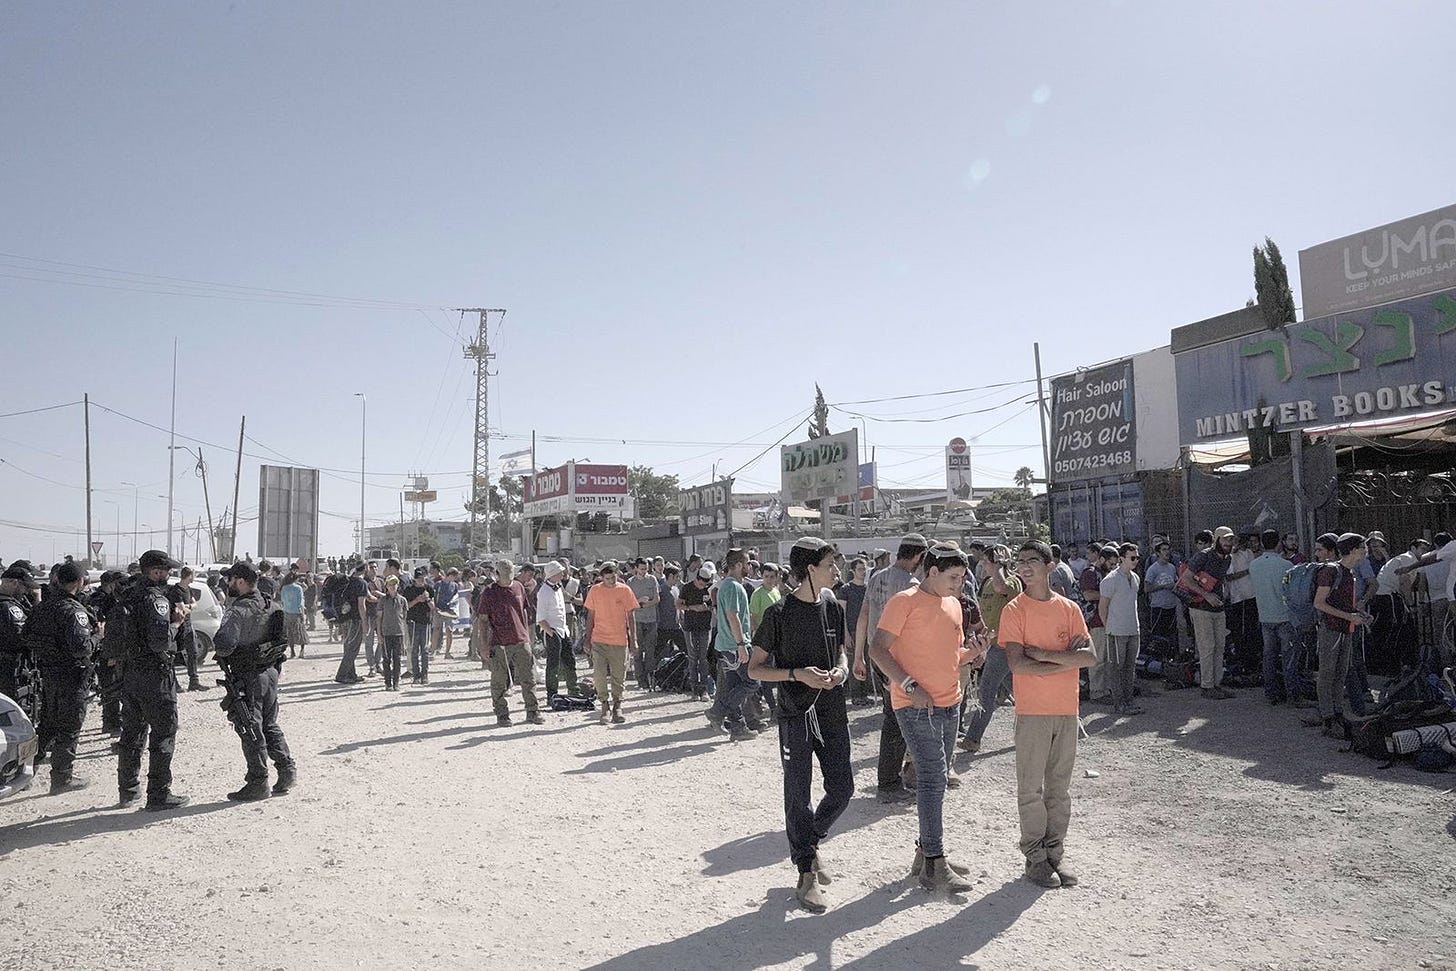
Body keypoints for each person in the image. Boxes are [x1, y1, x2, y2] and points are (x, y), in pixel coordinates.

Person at [869, 542, 988, 893]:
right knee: (933, 780)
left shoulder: (952, 604)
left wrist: (973, 654)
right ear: (931, 571)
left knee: (937, 779)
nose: (960, 585)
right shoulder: (903, 601)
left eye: (963, 578)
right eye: (953, 577)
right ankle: (934, 862)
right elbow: (878, 649)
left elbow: (951, 654)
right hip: (914, 704)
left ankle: (925, 855)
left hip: (951, 702)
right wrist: (908, 683)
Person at [748, 537, 853, 913]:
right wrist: (797, 675)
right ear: (810, 569)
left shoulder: (831, 605)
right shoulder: (779, 613)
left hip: (832, 709)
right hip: (795, 714)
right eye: (830, 564)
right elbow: (755, 667)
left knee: (843, 789)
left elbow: (842, 649)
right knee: (798, 791)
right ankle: (806, 871)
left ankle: (810, 839)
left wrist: (840, 669)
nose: (837, 570)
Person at [999, 541, 1097, 889]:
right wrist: (1063, 660)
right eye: (1020, 561)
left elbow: (1090, 657)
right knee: (1030, 789)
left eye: (1032, 561)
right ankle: (1035, 858)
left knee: (1060, 789)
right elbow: (1016, 664)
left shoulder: (1069, 609)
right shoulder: (1014, 610)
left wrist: (1040, 653)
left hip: (1066, 711)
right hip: (1032, 712)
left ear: (1050, 565)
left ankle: (1055, 853)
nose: (1024, 567)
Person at [854, 533, 929, 801]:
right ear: (919, 556)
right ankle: (889, 783)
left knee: (893, 718)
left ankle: (894, 778)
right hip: (897, 660)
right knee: (898, 721)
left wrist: (859, 657)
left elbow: (863, 616)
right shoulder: (911, 583)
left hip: (876, 656)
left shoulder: (876, 577)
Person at [213, 562, 295, 801]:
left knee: (250, 728)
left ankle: (258, 782)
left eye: (230, 580)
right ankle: (287, 770)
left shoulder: (238, 610)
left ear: (240, 581)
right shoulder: (271, 604)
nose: (227, 585)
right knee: (269, 724)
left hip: (248, 677)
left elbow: (224, 644)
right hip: (269, 674)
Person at [114, 550, 190, 810]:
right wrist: (177, 623)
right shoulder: (156, 600)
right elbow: (160, 641)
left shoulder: (129, 594)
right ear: (155, 572)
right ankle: (159, 794)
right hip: (154, 676)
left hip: (130, 674)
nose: (168, 576)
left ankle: (128, 790)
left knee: (132, 733)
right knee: (163, 733)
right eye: (165, 571)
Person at [25, 561, 98, 793]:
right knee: (69, 727)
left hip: (49, 674)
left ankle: (25, 772)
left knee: (47, 725)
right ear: (79, 582)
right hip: (72, 675)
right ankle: (62, 778)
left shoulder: (43, 607)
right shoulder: (74, 610)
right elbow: (81, 648)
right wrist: (99, 637)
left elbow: (26, 635)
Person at [1305, 533, 1371, 736]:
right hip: (1331, 629)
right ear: (1352, 550)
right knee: (1327, 674)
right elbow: (1319, 603)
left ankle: (1338, 714)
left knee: (1340, 674)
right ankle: (1328, 718)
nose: (1365, 551)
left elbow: (1341, 602)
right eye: (1362, 547)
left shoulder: (1348, 573)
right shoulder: (1330, 571)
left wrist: (1359, 614)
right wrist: (1349, 616)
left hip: (1344, 629)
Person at [478, 558, 543, 725]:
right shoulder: (489, 592)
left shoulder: (519, 587)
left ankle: (533, 711)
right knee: (499, 680)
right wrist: (484, 645)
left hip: (521, 640)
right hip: (499, 642)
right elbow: (483, 620)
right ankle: (502, 713)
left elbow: (525, 612)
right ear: (497, 574)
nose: (508, 580)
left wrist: (529, 637)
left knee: (528, 678)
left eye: (510, 576)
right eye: (505, 576)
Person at [705, 549, 759, 741]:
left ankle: (738, 727)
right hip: (734, 645)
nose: (750, 567)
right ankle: (717, 711)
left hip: (727, 644)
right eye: (747, 563)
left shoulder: (727, 585)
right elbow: (732, 615)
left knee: (735, 686)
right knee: (753, 682)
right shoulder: (733, 586)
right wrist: (741, 644)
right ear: (737, 566)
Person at [1179, 525, 1236, 699]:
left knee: (1220, 647)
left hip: (1218, 607)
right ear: (1216, 539)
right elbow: (1186, 578)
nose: (1228, 542)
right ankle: (1206, 686)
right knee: (1207, 647)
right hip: (1200, 607)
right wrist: (1206, 595)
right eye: (1225, 538)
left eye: (1231, 539)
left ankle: (1216, 684)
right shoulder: (1202, 556)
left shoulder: (1227, 558)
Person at [583, 561, 638, 725]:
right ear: (601, 578)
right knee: (599, 675)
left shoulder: (625, 590)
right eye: (608, 578)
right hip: (599, 639)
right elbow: (590, 616)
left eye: (613, 577)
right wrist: (587, 639)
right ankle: (604, 705)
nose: (611, 581)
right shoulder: (595, 591)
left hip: (619, 640)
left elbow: (631, 617)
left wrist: (633, 639)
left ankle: (617, 706)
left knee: (618, 676)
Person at [1249, 529, 1300, 706]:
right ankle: (1293, 695)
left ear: (1262, 543)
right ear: (1279, 543)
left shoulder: (1254, 565)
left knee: (1268, 657)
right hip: (1284, 616)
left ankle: (1271, 693)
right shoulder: (1286, 566)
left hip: (1265, 615)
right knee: (1289, 658)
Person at [1099, 543, 1143, 716]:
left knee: (1130, 668)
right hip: (1116, 632)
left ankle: (1129, 701)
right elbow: (1103, 608)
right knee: (1116, 668)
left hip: (1133, 630)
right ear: (1121, 558)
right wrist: (1109, 627)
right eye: (1132, 557)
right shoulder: (1110, 580)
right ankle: (1119, 704)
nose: (1136, 560)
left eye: (1137, 557)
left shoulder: (1136, 578)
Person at [0, 561, 38, 708]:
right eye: (25, 587)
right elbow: (23, 637)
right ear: (15, 583)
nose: (27, 591)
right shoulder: (8, 607)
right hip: (8, 670)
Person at [538, 560, 575, 698]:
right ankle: (552, 694)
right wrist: (550, 632)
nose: (563, 573)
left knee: (570, 660)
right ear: (552, 574)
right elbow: (540, 618)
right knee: (553, 664)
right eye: (560, 571)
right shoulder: (544, 592)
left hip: (563, 629)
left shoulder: (558, 587)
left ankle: (573, 689)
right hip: (552, 630)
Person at [678, 565, 715, 701]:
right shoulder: (687, 588)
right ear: (697, 579)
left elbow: (713, 604)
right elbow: (678, 604)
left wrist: (708, 607)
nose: (702, 586)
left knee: (704, 658)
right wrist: (692, 607)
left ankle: (704, 688)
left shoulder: (709, 589)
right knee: (693, 658)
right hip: (690, 627)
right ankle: (694, 689)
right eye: (701, 583)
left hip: (705, 626)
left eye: (705, 583)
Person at [839, 558, 872, 706]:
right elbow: (842, 613)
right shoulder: (846, 590)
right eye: (860, 569)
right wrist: (845, 634)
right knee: (854, 661)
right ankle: (856, 695)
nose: (863, 572)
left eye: (864, 569)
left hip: (867, 631)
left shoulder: (868, 588)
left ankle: (864, 693)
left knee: (866, 659)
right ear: (853, 571)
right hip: (852, 630)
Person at [627, 558, 660, 689]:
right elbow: (629, 602)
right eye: (641, 569)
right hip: (637, 620)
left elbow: (657, 598)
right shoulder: (631, 582)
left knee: (650, 652)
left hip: (651, 619)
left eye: (646, 569)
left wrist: (647, 603)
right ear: (636, 568)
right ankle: (641, 680)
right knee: (637, 651)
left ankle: (650, 678)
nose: (644, 571)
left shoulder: (652, 579)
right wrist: (639, 603)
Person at [334, 563, 369, 684]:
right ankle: (342, 675)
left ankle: (351, 674)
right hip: (355, 619)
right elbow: (361, 605)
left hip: (345, 619)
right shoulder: (361, 583)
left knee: (348, 646)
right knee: (353, 648)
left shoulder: (349, 581)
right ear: (365, 569)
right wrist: (364, 622)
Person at [1143, 541, 1180, 656]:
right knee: (1158, 635)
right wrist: (1163, 586)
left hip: (1171, 606)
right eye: (1164, 549)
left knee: (1171, 634)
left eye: (1168, 549)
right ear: (1158, 553)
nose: (1167, 552)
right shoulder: (1153, 569)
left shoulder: (1172, 568)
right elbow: (1146, 588)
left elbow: (1176, 582)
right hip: (1159, 607)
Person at [402, 567, 434, 684]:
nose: (420, 580)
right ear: (414, 579)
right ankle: (416, 674)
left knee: (425, 649)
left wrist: (428, 600)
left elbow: (433, 607)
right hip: (413, 622)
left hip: (425, 622)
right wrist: (417, 600)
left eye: (422, 578)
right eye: (418, 578)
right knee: (414, 649)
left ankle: (425, 674)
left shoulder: (429, 588)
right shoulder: (409, 589)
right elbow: (406, 606)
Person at [375, 576, 407, 691]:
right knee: (386, 659)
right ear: (386, 587)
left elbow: (403, 619)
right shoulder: (382, 601)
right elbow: (378, 618)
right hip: (386, 633)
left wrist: (404, 638)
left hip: (398, 633)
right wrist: (379, 634)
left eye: (394, 584)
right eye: (390, 585)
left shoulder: (402, 600)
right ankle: (387, 683)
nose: (392, 587)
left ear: (397, 585)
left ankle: (396, 682)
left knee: (397, 659)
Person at [432, 566, 460, 659]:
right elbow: (434, 596)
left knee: (449, 631)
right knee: (436, 630)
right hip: (438, 610)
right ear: (450, 575)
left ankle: (447, 652)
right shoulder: (438, 584)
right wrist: (435, 608)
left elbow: (455, 598)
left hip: (449, 611)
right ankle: (433, 651)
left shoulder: (455, 585)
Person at [280, 571, 307, 658]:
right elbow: (300, 603)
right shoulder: (298, 588)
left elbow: (283, 601)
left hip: (287, 612)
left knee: (290, 633)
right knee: (301, 632)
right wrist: (302, 614)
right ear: (296, 579)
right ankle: (302, 651)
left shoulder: (284, 588)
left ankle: (292, 651)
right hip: (297, 613)